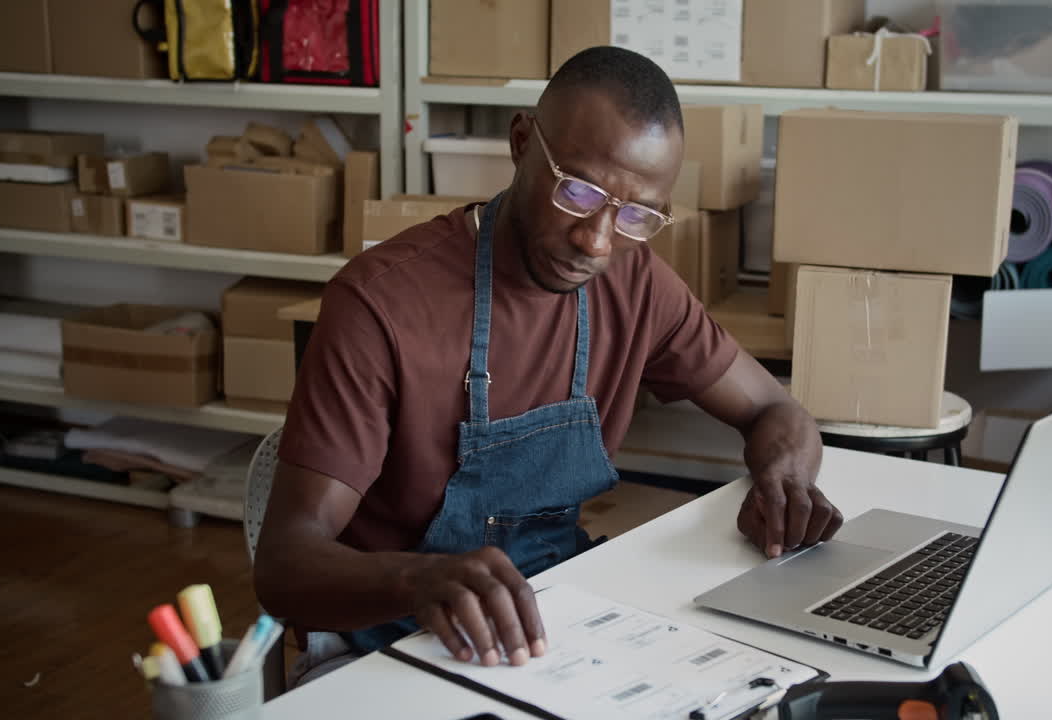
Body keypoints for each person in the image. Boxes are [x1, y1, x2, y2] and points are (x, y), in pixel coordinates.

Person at [254, 46, 842, 684]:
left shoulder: (636, 285)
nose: (597, 240)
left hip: (558, 619)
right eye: (578, 190)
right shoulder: (381, 305)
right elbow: (284, 565)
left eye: (637, 214)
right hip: (392, 637)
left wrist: (785, 485)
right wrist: (419, 581)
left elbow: (773, 408)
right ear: (520, 142)